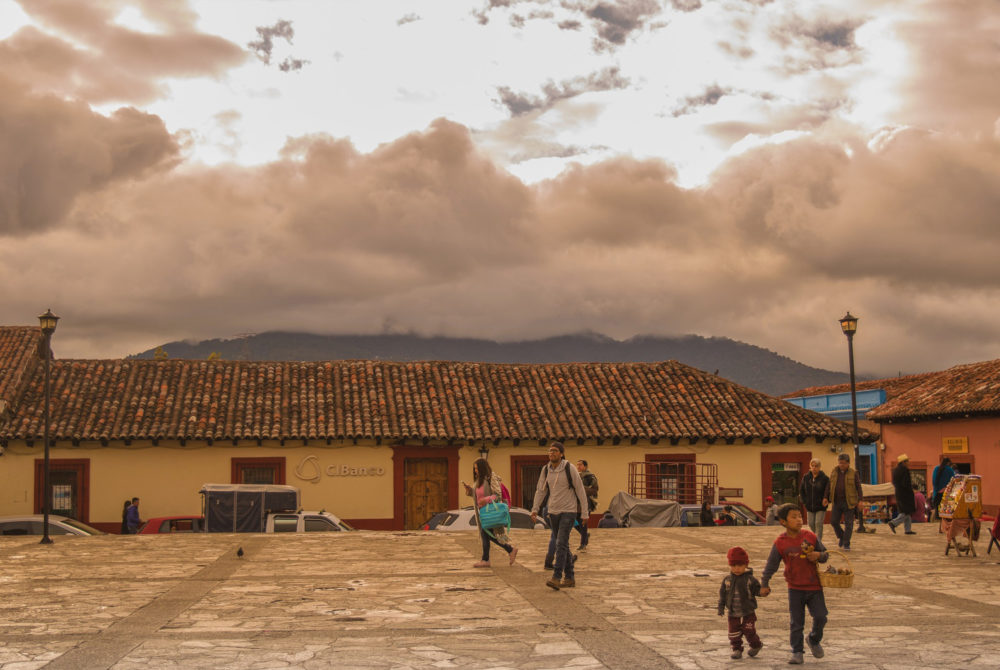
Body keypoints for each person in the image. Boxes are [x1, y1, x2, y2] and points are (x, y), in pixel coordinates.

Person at [760, 503, 831, 665]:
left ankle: (813, 639)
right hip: (795, 588)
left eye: (800, 516)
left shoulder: (810, 536)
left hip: (814, 587)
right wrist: (765, 583)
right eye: (794, 517)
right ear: (783, 522)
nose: (799, 520)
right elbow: (772, 564)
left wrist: (818, 555)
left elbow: (826, 555)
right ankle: (797, 651)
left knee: (821, 617)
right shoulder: (780, 542)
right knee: (796, 622)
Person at [531, 442, 589, 590]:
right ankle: (570, 577)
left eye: (555, 451)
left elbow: (580, 490)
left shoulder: (570, 469)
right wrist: (535, 509)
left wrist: (584, 512)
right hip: (552, 512)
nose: (552, 453)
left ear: (562, 454)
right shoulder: (546, 470)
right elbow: (540, 490)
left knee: (560, 543)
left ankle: (557, 577)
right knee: (562, 544)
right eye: (550, 451)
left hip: (568, 512)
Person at [463, 458, 518, 568]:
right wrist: (470, 491)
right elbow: (477, 496)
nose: (475, 471)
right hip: (482, 513)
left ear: (483, 468)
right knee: (487, 535)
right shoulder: (478, 480)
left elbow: (497, 495)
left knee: (487, 534)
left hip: (491, 513)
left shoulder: (491, 478)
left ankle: (489, 558)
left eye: (477, 468)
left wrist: (486, 499)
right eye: (474, 469)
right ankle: (505, 551)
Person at [718, 546, 764, 659]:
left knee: (749, 630)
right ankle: (737, 649)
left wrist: (763, 591)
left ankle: (756, 645)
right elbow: (722, 595)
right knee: (733, 633)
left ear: (745, 565)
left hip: (748, 611)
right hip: (733, 612)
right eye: (733, 566)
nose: (736, 568)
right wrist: (721, 607)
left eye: (740, 565)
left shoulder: (750, 580)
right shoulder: (727, 580)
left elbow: (757, 590)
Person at [822, 453, 863, 551]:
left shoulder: (853, 473)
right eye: (840, 463)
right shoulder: (834, 472)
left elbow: (859, 487)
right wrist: (825, 497)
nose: (841, 465)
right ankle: (841, 536)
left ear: (848, 463)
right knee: (834, 521)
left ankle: (846, 543)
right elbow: (829, 485)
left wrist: (860, 500)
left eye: (843, 463)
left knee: (849, 524)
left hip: (849, 501)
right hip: (837, 501)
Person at [799, 459, 829, 542]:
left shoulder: (825, 478)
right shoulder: (806, 477)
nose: (814, 468)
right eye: (813, 466)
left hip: (821, 506)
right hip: (809, 505)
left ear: (819, 467)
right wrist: (804, 501)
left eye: (816, 466)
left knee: (818, 523)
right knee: (811, 524)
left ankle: (818, 542)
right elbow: (801, 490)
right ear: (810, 466)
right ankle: (815, 537)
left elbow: (828, 491)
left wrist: (826, 500)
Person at [888, 454, 917, 535]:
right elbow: (906, 483)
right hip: (905, 494)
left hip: (898, 493)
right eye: (907, 461)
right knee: (905, 512)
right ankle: (893, 523)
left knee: (906, 512)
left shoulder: (895, 470)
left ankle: (908, 530)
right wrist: (910, 491)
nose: (908, 462)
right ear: (903, 462)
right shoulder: (905, 470)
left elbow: (894, 482)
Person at [575, 459, 599, 551]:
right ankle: (584, 534)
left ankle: (583, 544)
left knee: (583, 523)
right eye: (577, 465)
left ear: (585, 466)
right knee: (573, 521)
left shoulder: (590, 477)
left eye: (580, 465)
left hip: (586, 503)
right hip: (576, 503)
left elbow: (595, 489)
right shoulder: (576, 476)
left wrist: (582, 490)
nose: (578, 467)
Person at [930, 457, 955, 523]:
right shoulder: (950, 470)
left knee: (938, 515)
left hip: (937, 494)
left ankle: (940, 528)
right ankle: (945, 528)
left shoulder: (936, 469)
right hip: (947, 494)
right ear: (949, 463)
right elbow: (954, 481)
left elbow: (934, 482)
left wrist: (938, 490)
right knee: (946, 515)